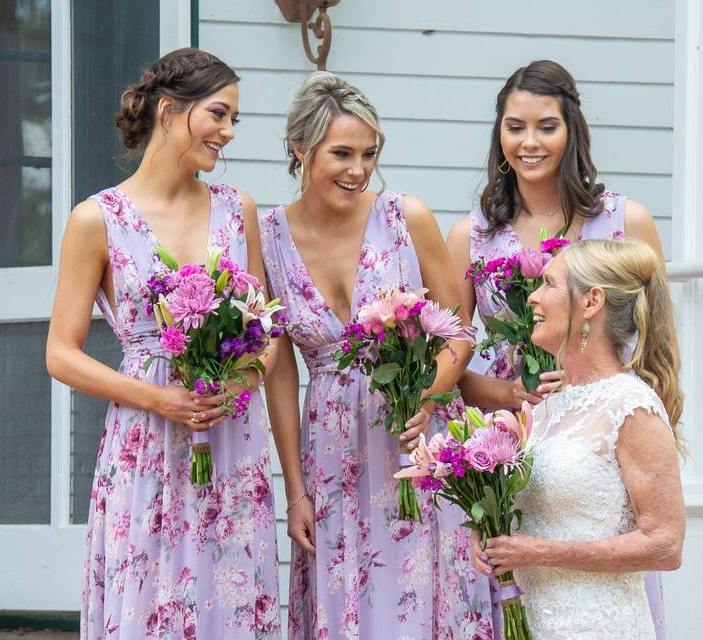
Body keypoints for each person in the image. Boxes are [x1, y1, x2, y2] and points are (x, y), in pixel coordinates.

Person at [45, 49, 281, 638]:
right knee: (148, 602)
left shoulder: (237, 210)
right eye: (219, 115)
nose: (228, 133)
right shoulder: (96, 219)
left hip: (230, 439)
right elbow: (61, 353)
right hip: (146, 443)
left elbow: (266, 331)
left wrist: (239, 380)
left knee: (227, 598)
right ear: (171, 112)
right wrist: (157, 399)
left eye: (234, 121)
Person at [260, 71, 493, 639]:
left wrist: (430, 392)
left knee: (428, 591)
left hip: (422, 438)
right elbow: (280, 374)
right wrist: (295, 490)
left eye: (369, 153)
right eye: (342, 153)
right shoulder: (267, 237)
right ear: (300, 148)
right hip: (333, 449)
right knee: (349, 603)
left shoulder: (404, 216)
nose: (359, 169)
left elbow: (459, 328)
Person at [445, 59, 671, 636]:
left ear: (571, 129)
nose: (528, 142)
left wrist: (631, 426)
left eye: (546, 126)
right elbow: (450, 358)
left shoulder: (626, 220)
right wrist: (508, 393)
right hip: (514, 449)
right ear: (498, 132)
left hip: (600, 445)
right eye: (514, 126)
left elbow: (658, 339)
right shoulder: (470, 235)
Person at [472, 239, 686, 640]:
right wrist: (487, 529)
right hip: (534, 623)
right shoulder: (547, 405)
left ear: (592, 302)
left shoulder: (632, 406)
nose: (532, 297)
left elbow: (665, 545)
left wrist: (539, 553)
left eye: (549, 285)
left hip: (598, 626)